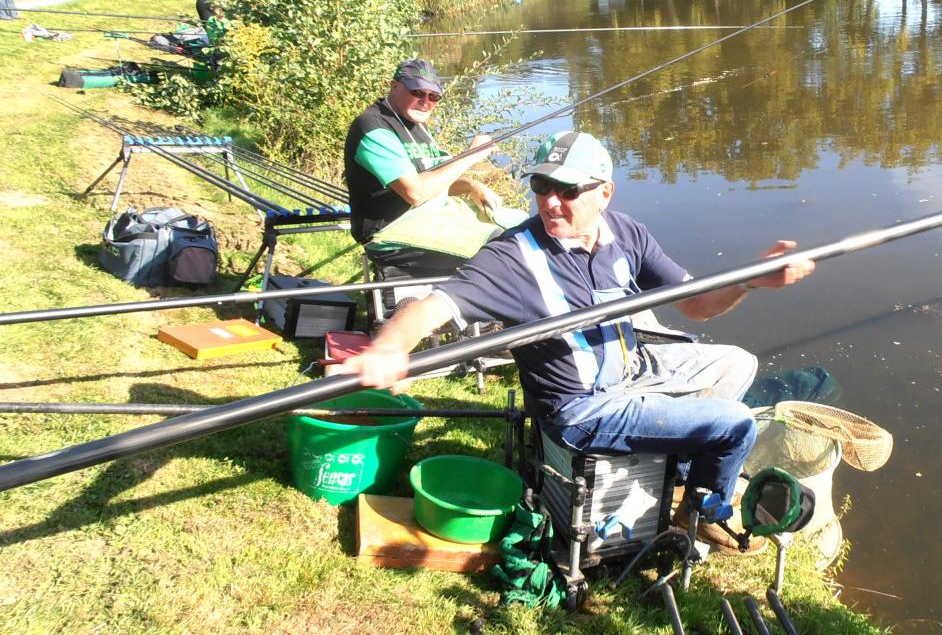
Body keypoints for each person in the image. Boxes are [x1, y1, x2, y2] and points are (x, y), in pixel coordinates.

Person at [337, 130, 816, 526]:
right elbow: (430, 306)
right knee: (734, 424)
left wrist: (750, 280)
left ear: (605, 192)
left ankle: (682, 472)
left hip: (632, 369)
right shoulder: (511, 258)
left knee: (739, 362)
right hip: (581, 408)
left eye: (568, 191)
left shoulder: (627, 233)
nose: (550, 202)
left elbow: (697, 305)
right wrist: (389, 347)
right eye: (541, 186)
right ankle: (702, 514)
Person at [345, 58, 524, 277]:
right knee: (505, 247)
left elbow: (435, 180)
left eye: (434, 96)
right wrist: (470, 156)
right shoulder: (373, 128)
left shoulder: (417, 125)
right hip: (393, 232)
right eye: (417, 92)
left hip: (434, 218)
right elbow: (416, 192)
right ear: (395, 86)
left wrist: (470, 185)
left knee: (525, 226)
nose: (426, 102)